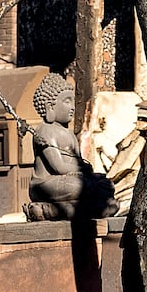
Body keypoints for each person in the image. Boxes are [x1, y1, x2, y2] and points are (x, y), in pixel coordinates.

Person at [23, 73, 118, 220]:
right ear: (50, 107)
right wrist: (82, 171)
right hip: (46, 184)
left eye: (73, 102)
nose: (72, 107)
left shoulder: (69, 134)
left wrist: (87, 170)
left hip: (71, 180)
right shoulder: (45, 130)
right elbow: (58, 167)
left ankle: (57, 210)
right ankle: (61, 209)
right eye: (67, 102)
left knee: (106, 185)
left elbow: (79, 162)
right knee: (79, 186)